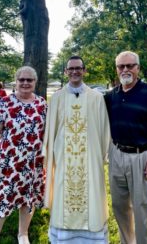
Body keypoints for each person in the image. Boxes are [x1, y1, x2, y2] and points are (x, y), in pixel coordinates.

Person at [43, 56, 111, 244]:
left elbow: (104, 127)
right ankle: (63, 237)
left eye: (78, 68)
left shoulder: (97, 97)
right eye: (71, 68)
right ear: (65, 72)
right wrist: (50, 153)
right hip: (64, 157)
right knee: (63, 190)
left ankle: (93, 238)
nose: (74, 71)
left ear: (84, 70)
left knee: (92, 191)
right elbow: (51, 129)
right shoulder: (56, 98)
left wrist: (102, 153)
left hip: (90, 157)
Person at [105, 51, 147, 244]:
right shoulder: (110, 97)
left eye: (130, 66)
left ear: (138, 68)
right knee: (119, 206)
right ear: (116, 70)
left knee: (143, 208)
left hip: (142, 157)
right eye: (121, 66)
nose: (125, 69)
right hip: (116, 155)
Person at [0, 66, 47, 244]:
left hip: (33, 163)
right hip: (8, 164)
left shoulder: (41, 104)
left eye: (29, 80)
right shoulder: (5, 103)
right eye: (21, 80)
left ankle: (23, 234)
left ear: (35, 82)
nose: (25, 83)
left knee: (29, 199)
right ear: (16, 82)